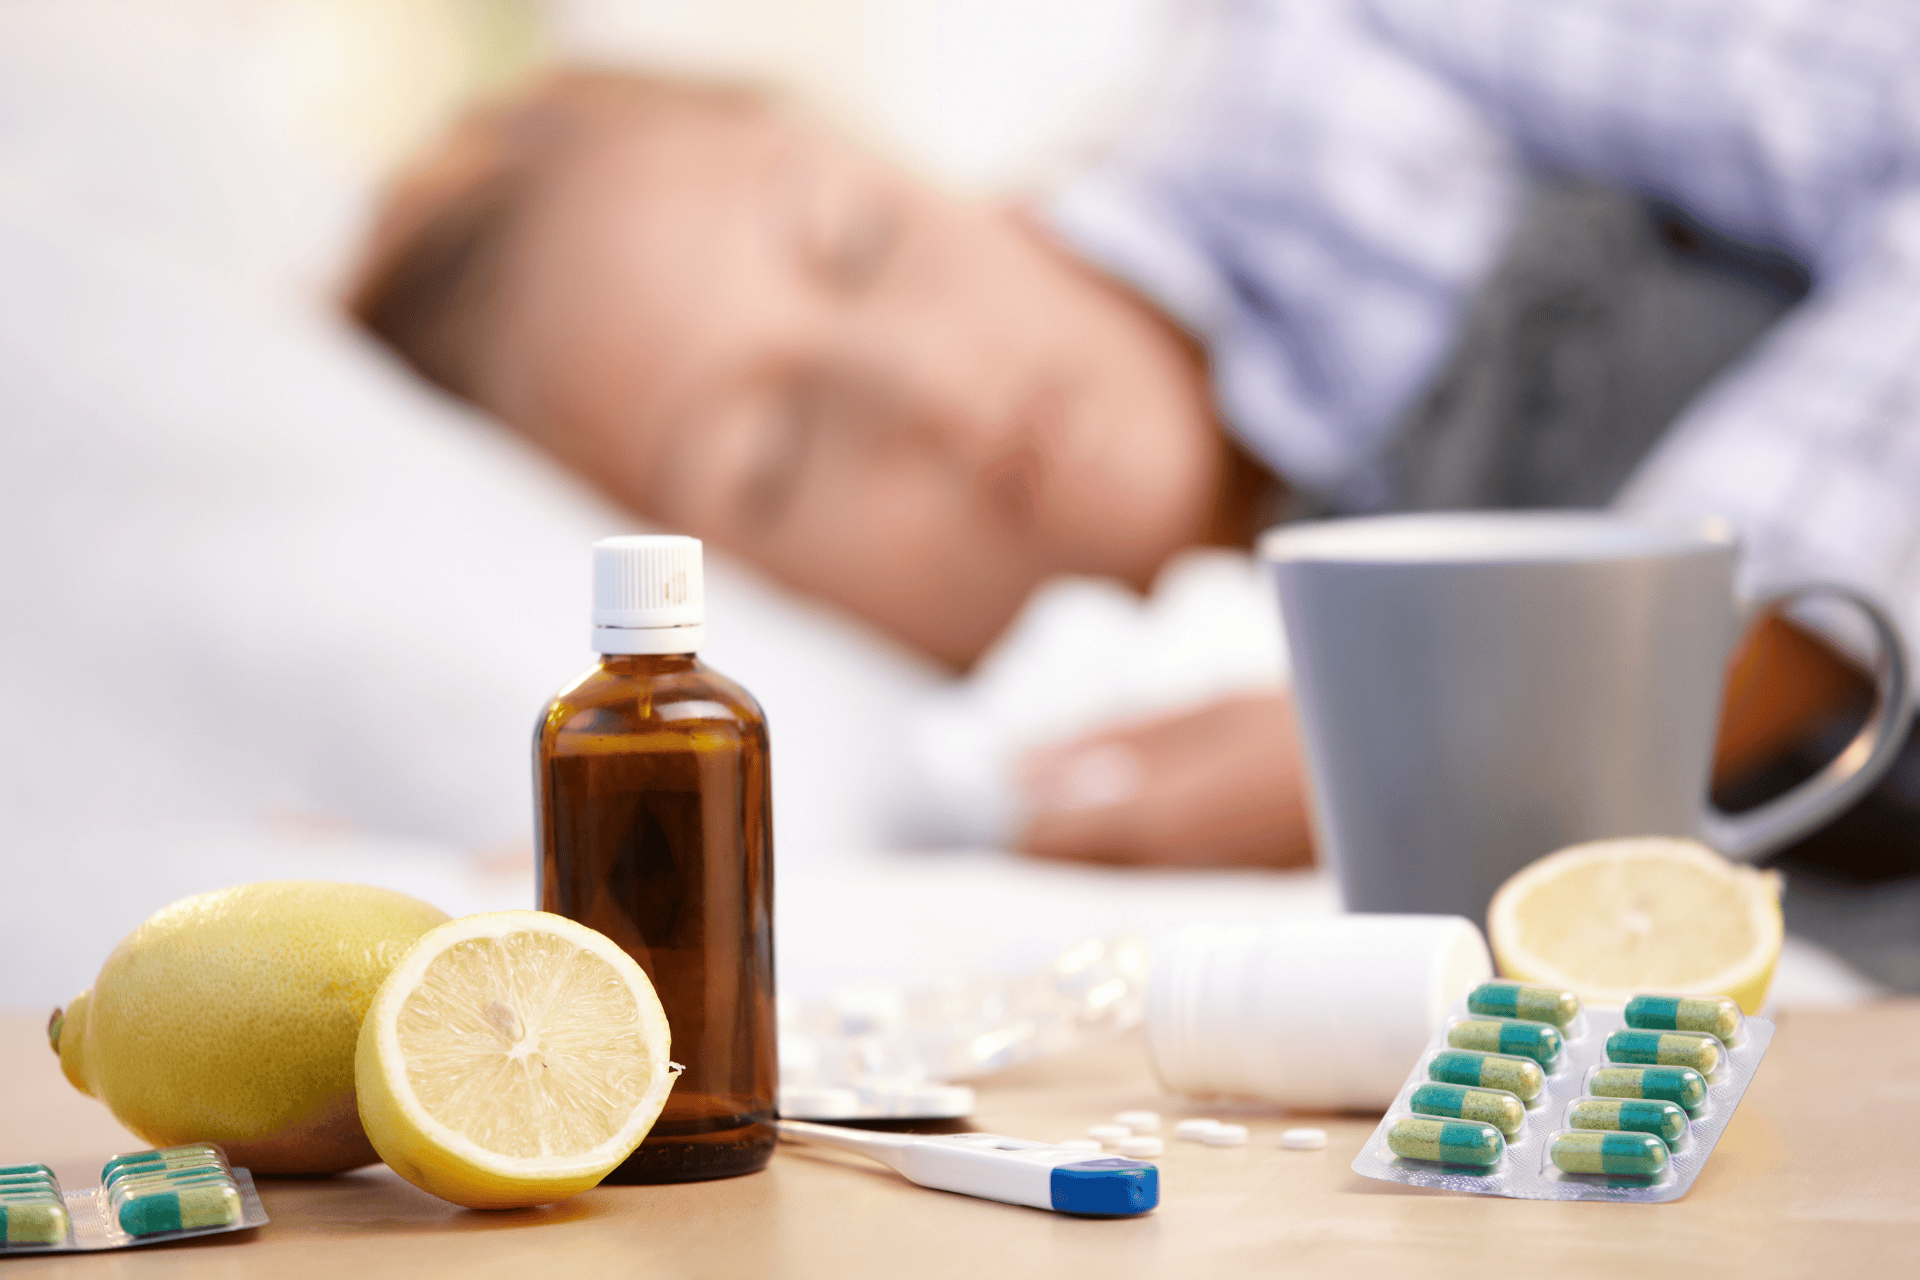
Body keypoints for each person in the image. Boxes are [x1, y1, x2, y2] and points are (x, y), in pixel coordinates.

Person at [349, 0, 1920, 879]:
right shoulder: (1066, 780)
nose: (935, 393)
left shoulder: (1347, 60)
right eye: (775, 459)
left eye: (857, 242)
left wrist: (1538, 730)